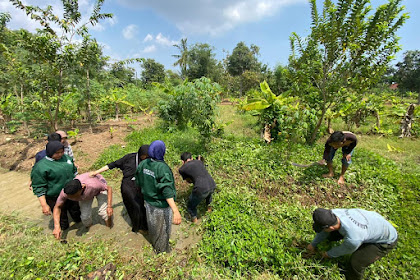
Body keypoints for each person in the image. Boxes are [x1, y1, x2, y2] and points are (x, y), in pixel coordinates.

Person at [306, 208, 398, 280]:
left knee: (356, 262)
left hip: (386, 241)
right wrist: (313, 244)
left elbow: (344, 249)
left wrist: (328, 254)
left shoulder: (353, 238)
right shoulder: (334, 214)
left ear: (331, 227)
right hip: (375, 224)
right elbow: (324, 231)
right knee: (331, 235)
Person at [135, 140, 181, 253]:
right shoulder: (162, 168)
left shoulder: (143, 164)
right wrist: (176, 211)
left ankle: (156, 245)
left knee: (154, 225)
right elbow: (167, 191)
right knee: (164, 229)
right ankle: (162, 251)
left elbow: (138, 182)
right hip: (161, 205)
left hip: (148, 202)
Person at [90, 145, 149, 233]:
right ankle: (139, 227)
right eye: (145, 156)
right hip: (128, 186)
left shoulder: (150, 160)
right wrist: (96, 172)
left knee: (142, 205)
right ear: (140, 153)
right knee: (135, 206)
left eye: (148, 156)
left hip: (140, 184)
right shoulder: (129, 158)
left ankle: (145, 225)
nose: (146, 158)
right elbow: (112, 165)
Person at [31, 141, 81, 231]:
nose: (60, 154)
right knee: (62, 217)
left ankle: (80, 225)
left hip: (71, 193)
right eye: (57, 153)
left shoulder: (66, 158)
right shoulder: (41, 167)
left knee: (76, 211)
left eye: (61, 152)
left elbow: (74, 171)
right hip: (55, 197)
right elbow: (39, 187)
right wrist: (44, 205)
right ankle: (64, 231)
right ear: (50, 152)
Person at [52, 173, 113, 240]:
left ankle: (109, 228)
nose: (72, 198)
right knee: (85, 217)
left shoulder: (94, 185)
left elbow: (109, 188)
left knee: (104, 212)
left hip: (99, 190)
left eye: (74, 196)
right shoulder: (65, 193)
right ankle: (91, 230)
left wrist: (109, 206)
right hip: (85, 196)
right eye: (70, 197)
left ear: (82, 188)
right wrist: (57, 227)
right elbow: (57, 207)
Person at [179, 152, 216, 223]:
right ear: (191, 158)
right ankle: (209, 213)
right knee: (208, 195)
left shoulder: (182, 169)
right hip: (212, 184)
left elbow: (189, 181)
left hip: (201, 188)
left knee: (191, 206)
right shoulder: (199, 162)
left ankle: (195, 222)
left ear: (182, 161)